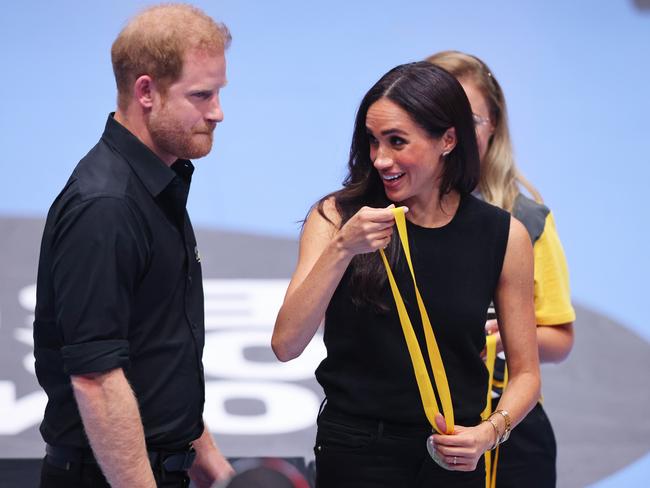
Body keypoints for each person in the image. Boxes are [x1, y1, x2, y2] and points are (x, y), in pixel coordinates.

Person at [272, 61, 541, 487]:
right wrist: (343, 248)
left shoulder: (504, 236)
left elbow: (526, 373)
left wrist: (489, 434)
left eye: (397, 142)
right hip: (356, 450)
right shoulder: (336, 217)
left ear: (448, 140)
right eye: (373, 142)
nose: (380, 159)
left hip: (454, 453)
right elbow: (286, 344)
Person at [33, 4, 234, 488]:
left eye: (218, 93)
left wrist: (218, 471)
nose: (218, 113)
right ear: (146, 91)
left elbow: (156, 356)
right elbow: (97, 380)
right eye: (201, 95)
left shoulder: (154, 184)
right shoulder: (106, 206)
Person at [426, 50, 576, 487]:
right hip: (416, 420)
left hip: (507, 426)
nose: (455, 135)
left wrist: (506, 333)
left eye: (471, 120)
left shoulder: (526, 222)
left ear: (494, 127)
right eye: (439, 119)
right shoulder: (390, 214)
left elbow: (560, 338)